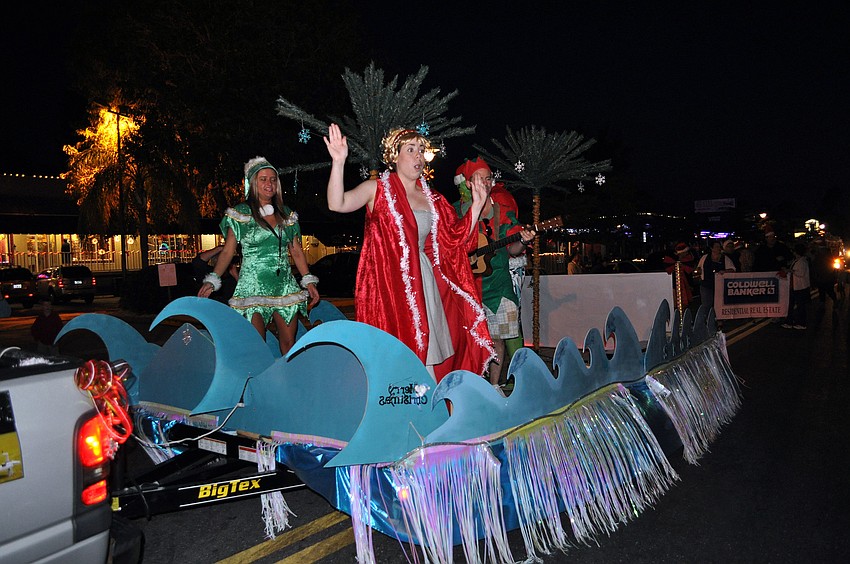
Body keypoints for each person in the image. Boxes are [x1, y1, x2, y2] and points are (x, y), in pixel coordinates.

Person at [324, 123, 495, 382]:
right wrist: (338, 162)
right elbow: (337, 203)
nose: (418, 156)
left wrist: (478, 204)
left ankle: (427, 409)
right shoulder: (377, 190)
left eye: (421, 151)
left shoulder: (433, 198)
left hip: (423, 282)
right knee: (399, 355)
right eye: (410, 149)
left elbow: (456, 239)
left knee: (427, 356)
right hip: (389, 287)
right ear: (395, 156)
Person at [198, 156, 319, 355]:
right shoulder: (241, 214)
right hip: (252, 286)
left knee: (289, 346)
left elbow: (296, 250)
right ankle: (260, 383)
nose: (269, 184)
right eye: (263, 179)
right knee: (256, 347)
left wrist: (308, 281)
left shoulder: (286, 214)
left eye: (273, 179)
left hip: (284, 286)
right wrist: (213, 279)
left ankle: (286, 383)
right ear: (253, 182)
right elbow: (228, 251)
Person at [453, 157, 536, 388]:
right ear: (468, 183)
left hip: (499, 285)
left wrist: (524, 240)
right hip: (468, 287)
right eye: (480, 178)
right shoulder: (456, 211)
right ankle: (472, 385)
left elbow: (513, 248)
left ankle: (495, 386)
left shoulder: (502, 211)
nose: (486, 182)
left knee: (500, 338)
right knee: (472, 341)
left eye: (489, 177)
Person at [696, 241, 736, 314]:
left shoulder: (725, 258)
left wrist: (725, 271)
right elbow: (699, 268)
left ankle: (719, 319)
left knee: (719, 303)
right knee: (706, 304)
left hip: (720, 285)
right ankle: (707, 319)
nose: (718, 249)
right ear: (712, 248)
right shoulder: (705, 257)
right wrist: (698, 272)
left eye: (719, 247)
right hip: (706, 284)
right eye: (716, 247)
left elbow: (733, 269)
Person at [782, 242, 811, 330]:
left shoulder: (802, 261)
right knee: (792, 304)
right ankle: (790, 321)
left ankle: (801, 323)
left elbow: (801, 273)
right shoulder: (798, 260)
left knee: (800, 306)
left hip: (800, 287)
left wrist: (790, 271)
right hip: (795, 286)